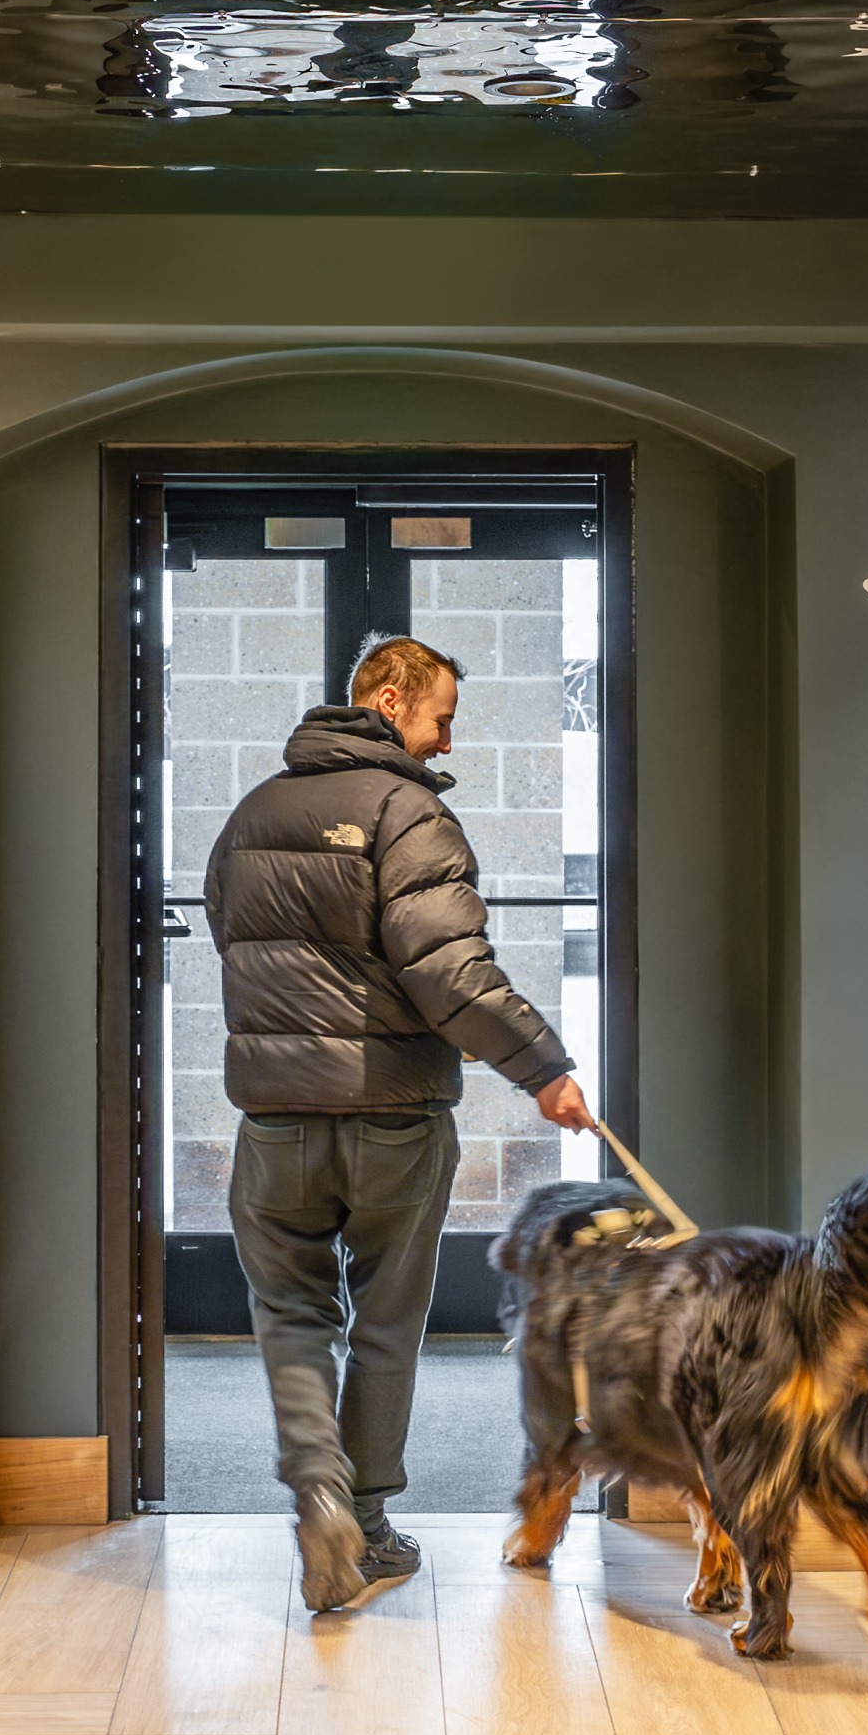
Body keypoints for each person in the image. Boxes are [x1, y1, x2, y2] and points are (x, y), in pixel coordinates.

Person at [202, 632, 598, 1615]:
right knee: (384, 1323)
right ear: (388, 699)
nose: (447, 739)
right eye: (441, 716)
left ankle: (321, 1495)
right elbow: (448, 972)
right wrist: (543, 1069)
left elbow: (231, 934)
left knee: (291, 1317)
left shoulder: (253, 815)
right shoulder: (405, 811)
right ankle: (367, 1530)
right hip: (392, 1118)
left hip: (276, 1118)